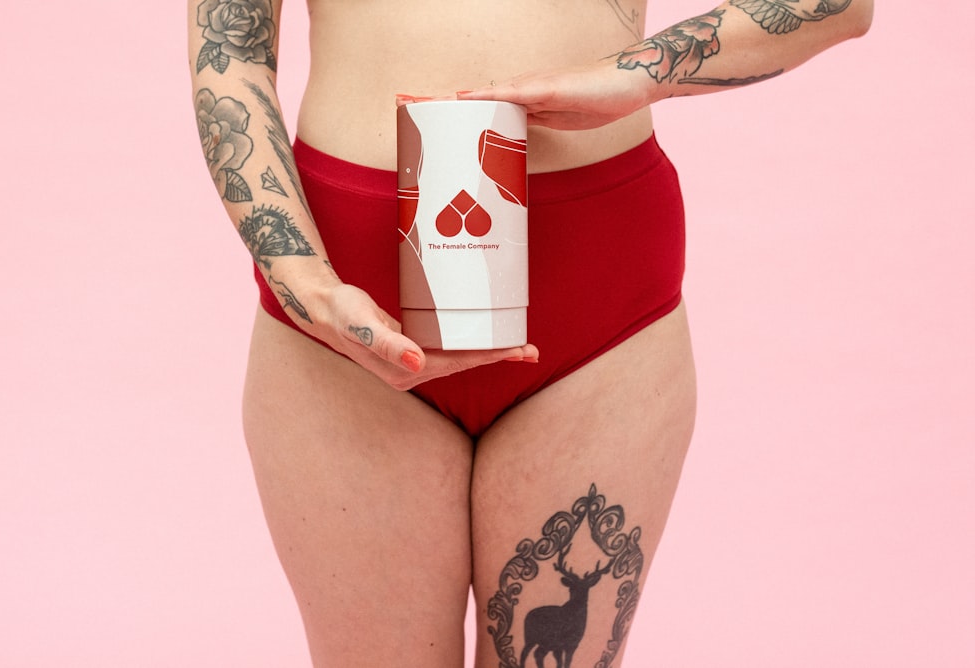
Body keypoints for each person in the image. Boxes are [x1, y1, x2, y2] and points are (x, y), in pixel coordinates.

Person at [188, 1, 872, 665]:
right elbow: (232, 53)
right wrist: (304, 284)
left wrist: (635, 74)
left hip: (594, 282)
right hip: (342, 295)